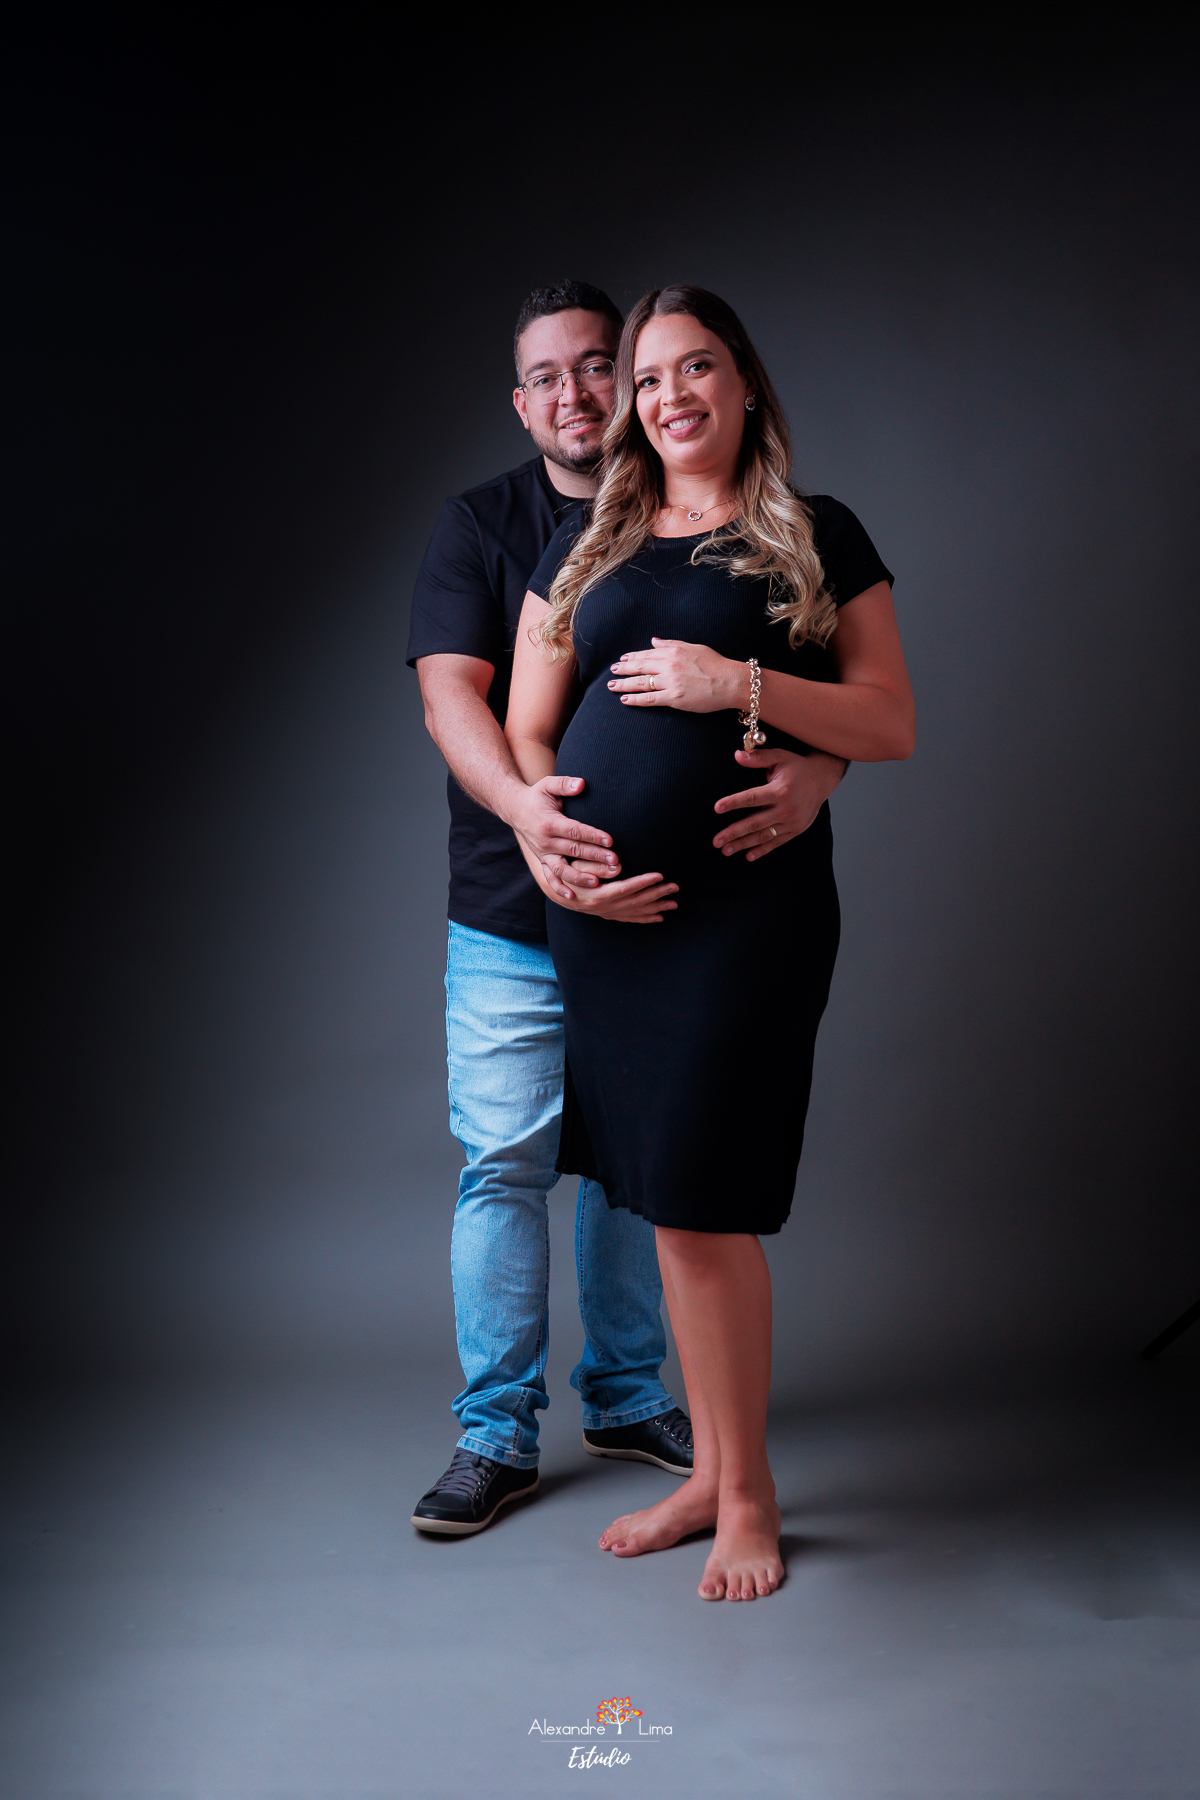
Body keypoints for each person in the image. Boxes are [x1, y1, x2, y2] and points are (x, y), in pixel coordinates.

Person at [406, 280, 849, 1536]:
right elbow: (465, 702)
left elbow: (831, 683)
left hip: (699, 915)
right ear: (522, 403)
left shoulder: (764, 527)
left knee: (640, 1179)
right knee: (511, 1159)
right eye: (550, 377)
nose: (587, 394)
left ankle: (638, 1403)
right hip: (525, 901)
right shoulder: (502, 529)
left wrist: (811, 756)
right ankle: (497, 1433)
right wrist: (535, 824)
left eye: (607, 366)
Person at [505, 286, 914, 1598]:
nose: (669, 395)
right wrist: (558, 855)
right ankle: (710, 1476)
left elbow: (889, 719)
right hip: (609, 931)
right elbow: (527, 728)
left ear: (743, 383)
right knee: (670, 1206)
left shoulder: (815, 532)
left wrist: (738, 687)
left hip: (745, 918)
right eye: (647, 378)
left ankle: (746, 1494)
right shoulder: (594, 543)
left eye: (695, 367)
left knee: (701, 1205)